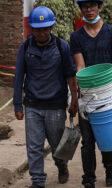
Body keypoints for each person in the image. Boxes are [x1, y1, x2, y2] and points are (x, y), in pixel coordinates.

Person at [13, 6, 78, 188]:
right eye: (37, 29)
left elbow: (70, 76)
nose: (41, 33)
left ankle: (62, 166)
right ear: (32, 29)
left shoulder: (61, 46)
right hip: (32, 105)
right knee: (34, 146)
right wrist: (18, 105)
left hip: (56, 106)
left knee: (57, 144)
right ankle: (38, 181)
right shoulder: (25, 47)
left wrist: (74, 100)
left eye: (45, 28)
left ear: (51, 27)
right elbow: (18, 77)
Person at [70, 0, 112, 187]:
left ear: (99, 7)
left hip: (108, 94)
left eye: (92, 6)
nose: (88, 10)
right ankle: (88, 178)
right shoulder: (76, 37)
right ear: (81, 10)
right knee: (87, 141)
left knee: (107, 136)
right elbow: (80, 66)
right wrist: (79, 97)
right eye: (84, 7)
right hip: (89, 95)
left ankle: (110, 170)